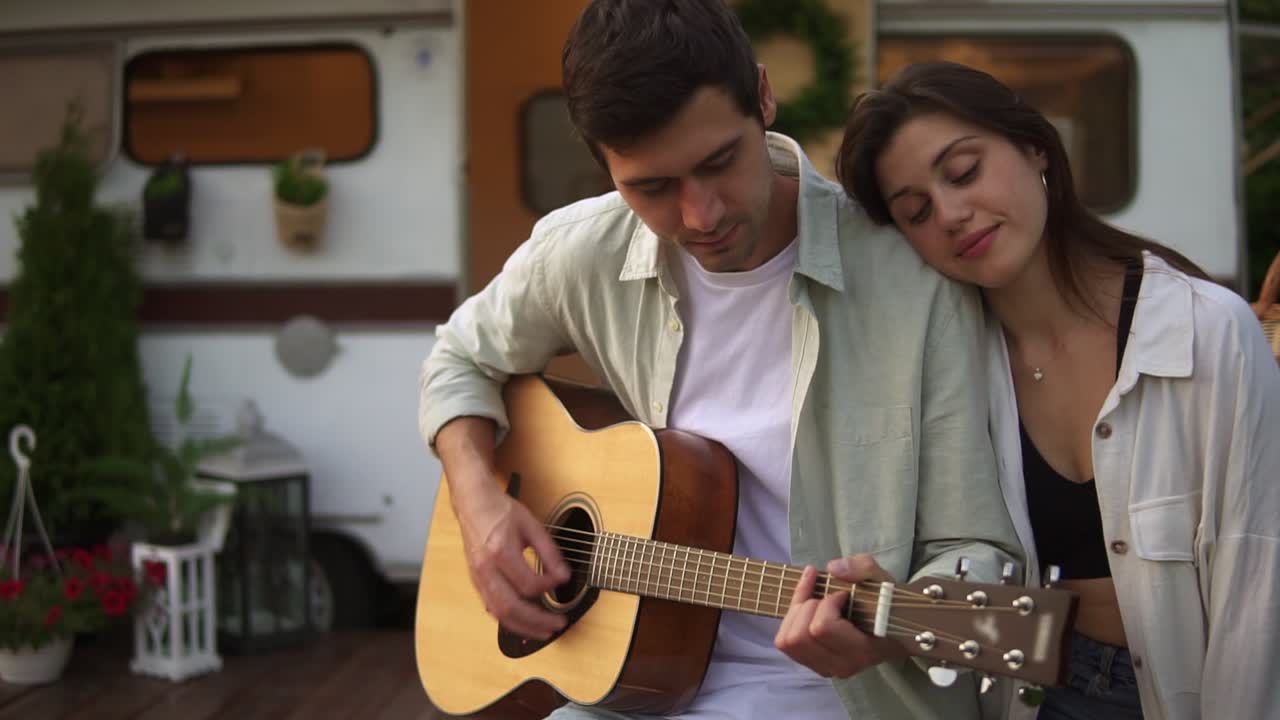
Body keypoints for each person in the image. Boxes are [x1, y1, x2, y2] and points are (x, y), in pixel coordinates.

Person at [419, 4, 1022, 719]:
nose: (701, 215)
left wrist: (898, 629)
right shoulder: (582, 253)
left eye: (718, 163)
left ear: (763, 98)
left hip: (849, 698)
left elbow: (974, 548)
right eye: (652, 187)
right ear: (605, 166)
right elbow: (458, 356)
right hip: (635, 682)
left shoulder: (908, 275)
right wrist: (480, 501)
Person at [836, 60, 1280, 720]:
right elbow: (994, 611)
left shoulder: (1207, 330)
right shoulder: (949, 374)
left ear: (1034, 146)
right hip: (1030, 700)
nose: (953, 214)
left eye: (964, 172)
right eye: (916, 211)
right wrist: (900, 613)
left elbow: (1257, 589)